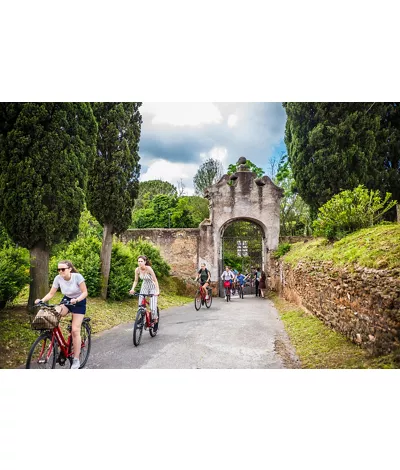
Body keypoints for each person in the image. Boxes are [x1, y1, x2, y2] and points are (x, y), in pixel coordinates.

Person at [35, 260, 88, 369]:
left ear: (69, 269)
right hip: (67, 300)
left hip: (79, 302)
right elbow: (51, 293)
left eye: (63, 269)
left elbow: (85, 292)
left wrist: (77, 299)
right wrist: (42, 300)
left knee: (75, 330)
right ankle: (59, 342)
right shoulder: (57, 278)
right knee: (54, 313)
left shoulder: (77, 277)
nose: (60, 271)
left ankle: (76, 360)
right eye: (58, 269)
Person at [129, 255, 160, 329]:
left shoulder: (149, 269)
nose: (140, 263)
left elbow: (155, 280)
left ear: (145, 262)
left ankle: (155, 320)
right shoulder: (137, 270)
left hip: (152, 287)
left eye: (141, 261)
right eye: (138, 261)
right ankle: (141, 317)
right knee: (140, 305)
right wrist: (132, 289)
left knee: (152, 307)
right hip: (144, 287)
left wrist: (157, 291)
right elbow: (136, 280)